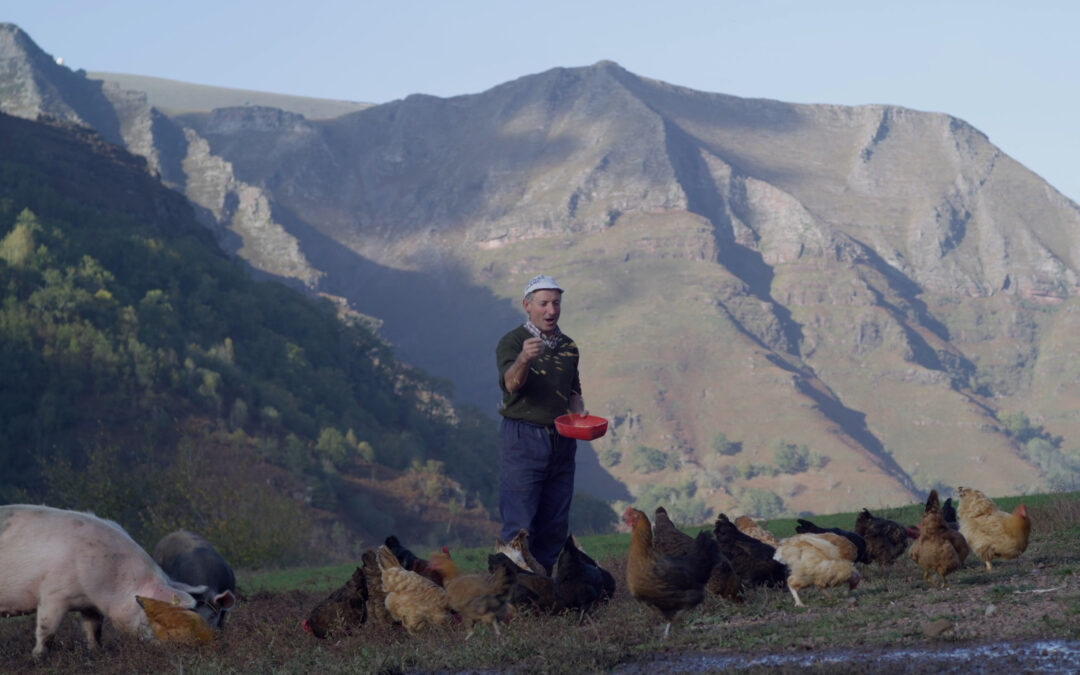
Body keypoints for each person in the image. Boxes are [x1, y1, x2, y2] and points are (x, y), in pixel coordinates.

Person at [495, 274, 586, 574]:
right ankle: (513, 589)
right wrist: (523, 359)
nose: (551, 311)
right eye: (543, 304)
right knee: (520, 519)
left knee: (555, 519)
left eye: (556, 303)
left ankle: (544, 585)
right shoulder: (512, 342)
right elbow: (510, 385)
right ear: (527, 306)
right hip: (523, 437)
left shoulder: (569, 347)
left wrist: (580, 416)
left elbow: (573, 391)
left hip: (561, 438)